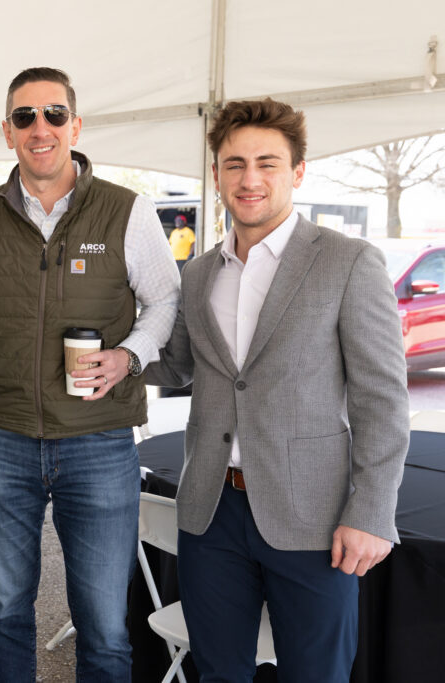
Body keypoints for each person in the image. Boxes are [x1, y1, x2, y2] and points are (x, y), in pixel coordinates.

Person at [144, 98, 409, 681]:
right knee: (217, 671)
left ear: (297, 171)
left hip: (314, 516)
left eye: (267, 162)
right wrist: (114, 356)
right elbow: (179, 366)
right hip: (211, 513)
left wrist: (371, 510)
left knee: (315, 673)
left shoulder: (349, 261)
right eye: (234, 164)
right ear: (216, 175)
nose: (250, 178)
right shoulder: (198, 272)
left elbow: (383, 399)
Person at [0, 66, 180, 681]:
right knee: (5, 610)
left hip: (99, 441)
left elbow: (165, 301)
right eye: (24, 117)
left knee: (104, 625)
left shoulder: (126, 212)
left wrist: (129, 355)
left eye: (53, 114)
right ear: (7, 132)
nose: (40, 128)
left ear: (75, 125)